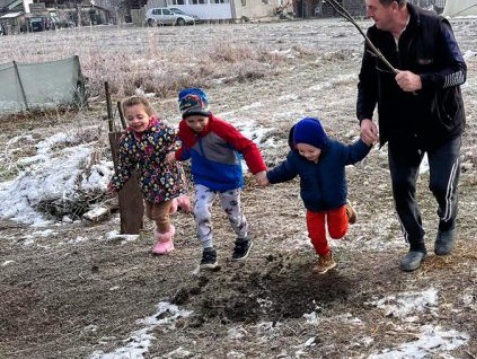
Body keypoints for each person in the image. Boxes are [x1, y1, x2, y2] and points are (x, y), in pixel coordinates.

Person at [357, 0, 467, 272]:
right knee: (401, 187)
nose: (368, 13)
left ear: (394, 7)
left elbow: (459, 72)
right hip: (401, 127)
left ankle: (447, 222)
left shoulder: (435, 26)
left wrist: (422, 80)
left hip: (441, 123)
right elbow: (366, 82)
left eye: (372, 7)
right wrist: (365, 116)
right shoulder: (374, 37)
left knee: (441, 185)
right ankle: (416, 244)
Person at [166, 88, 268, 270]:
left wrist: (259, 171)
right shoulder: (184, 129)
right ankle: (208, 251)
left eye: (200, 120)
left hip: (228, 178)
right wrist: (177, 155)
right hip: (204, 179)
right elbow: (190, 148)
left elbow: (248, 147)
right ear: (184, 118)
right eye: (191, 121)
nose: (196, 125)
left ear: (208, 114)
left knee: (233, 214)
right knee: (200, 211)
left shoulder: (222, 128)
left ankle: (244, 238)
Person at [266, 117, 372, 274]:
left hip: (335, 200)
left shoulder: (336, 151)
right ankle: (325, 257)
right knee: (316, 235)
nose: (306, 155)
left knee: (338, 233)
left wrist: (365, 143)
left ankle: (346, 210)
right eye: (302, 151)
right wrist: (268, 177)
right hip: (312, 203)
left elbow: (353, 154)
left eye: (311, 151)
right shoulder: (296, 158)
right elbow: (285, 171)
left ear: (321, 144)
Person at [108, 95, 184, 255]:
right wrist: (116, 182)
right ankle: (173, 202)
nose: (135, 121)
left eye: (139, 116)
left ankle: (165, 241)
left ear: (149, 115)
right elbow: (125, 165)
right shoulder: (127, 140)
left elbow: (180, 140)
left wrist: (174, 151)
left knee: (159, 215)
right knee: (150, 214)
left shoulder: (162, 131)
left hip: (168, 178)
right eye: (130, 118)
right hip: (148, 182)